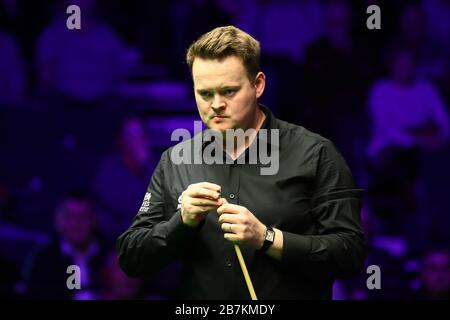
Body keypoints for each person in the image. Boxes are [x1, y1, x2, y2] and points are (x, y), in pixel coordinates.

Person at [117, 26, 365, 300]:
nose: (216, 105)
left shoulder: (316, 154)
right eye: (205, 94)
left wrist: (267, 238)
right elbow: (132, 257)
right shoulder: (175, 161)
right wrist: (181, 223)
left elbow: (350, 252)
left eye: (229, 91)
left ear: (258, 85)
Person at [22, 191, 108, 299]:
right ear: (58, 221)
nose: (77, 224)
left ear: (94, 221)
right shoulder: (44, 260)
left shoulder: (109, 256)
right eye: (70, 217)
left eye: (83, 217)